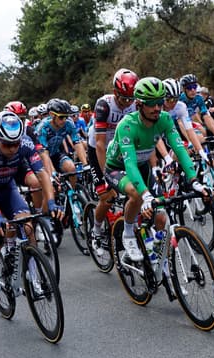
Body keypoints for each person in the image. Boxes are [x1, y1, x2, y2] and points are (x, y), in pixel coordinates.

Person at [103, 77, 206, 261]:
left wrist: (194, 180)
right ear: (139, 104)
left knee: (161, 216)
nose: (157, 108)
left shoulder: (164, 119)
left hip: (143, 167)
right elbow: (130, 164)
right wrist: (145, 195)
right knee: (136, 194)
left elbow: (179, 149)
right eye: (151, 104)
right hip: (117, 168)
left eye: (160, 102)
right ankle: (128, 234)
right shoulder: (127, 125)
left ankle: (157, 257)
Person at [0, 111, 61, 292]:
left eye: (16, 144)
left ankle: (33, 271)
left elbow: (42, 174)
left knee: (28, 227)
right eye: (7, 144)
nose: (13, 149)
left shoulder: (26, 143)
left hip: (7, 188)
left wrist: (50, 201)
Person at [85, 69, 140, 256]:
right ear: (115, 92)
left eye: (130, 99)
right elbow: (100, 144)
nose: (127, 103)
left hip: (119, 148)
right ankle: (96, 230)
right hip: (97, 150)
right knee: (107, 196)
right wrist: (108, 176)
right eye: (123, 98)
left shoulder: (134, 104)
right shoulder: (104, 105)